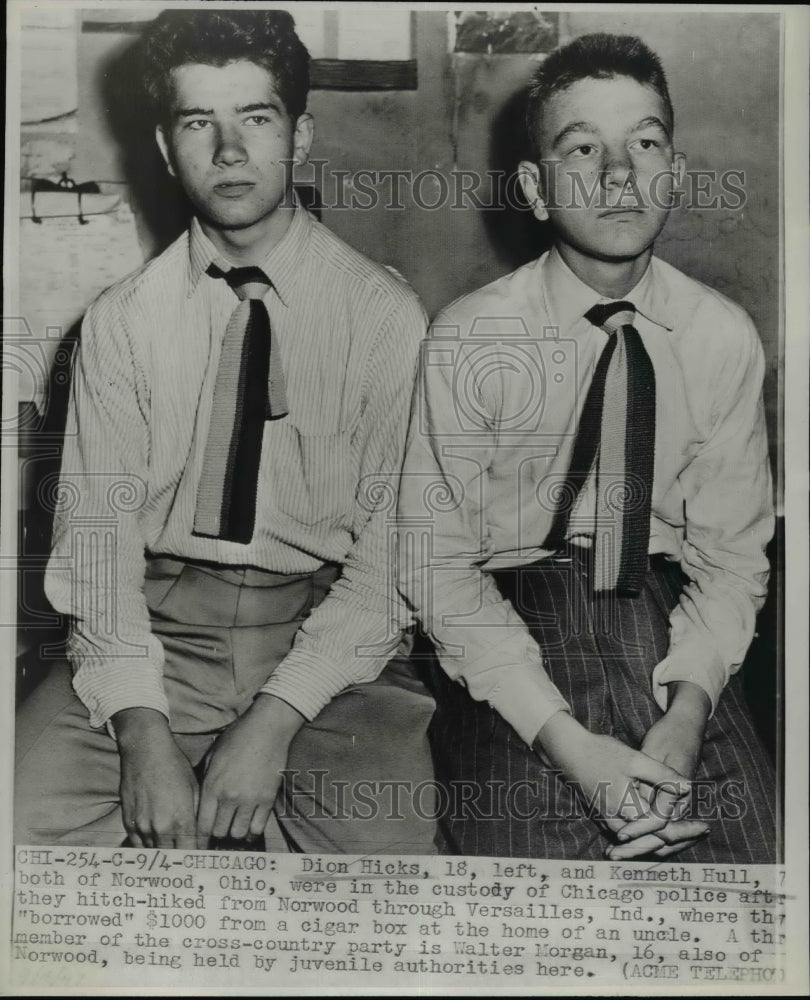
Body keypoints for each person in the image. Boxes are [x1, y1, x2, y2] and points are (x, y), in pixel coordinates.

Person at [15, 9, 436, 855]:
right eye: (199, 121)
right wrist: (141, 731)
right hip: (153, 628)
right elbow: (97, 558)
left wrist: (274, 723)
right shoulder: (123, 322)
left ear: (302, 134)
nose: (231, 150)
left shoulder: (384, 317)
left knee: (386, 873)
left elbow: (391, 563)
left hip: (329, 635)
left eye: (258, 117)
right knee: (19, 830)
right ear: (168, 150)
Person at [399, 32, 777, 862]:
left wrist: (685, 716)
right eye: (583, 149)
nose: (620, 175)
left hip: (664, 620)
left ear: (673, 169)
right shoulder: (471, 336)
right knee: (542, 892)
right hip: (507, 636)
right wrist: (572, 745)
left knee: (755, 871)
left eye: (645, 143)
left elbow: (732, 562)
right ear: (535, 189)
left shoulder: (719, 336)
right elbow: (437, 568)